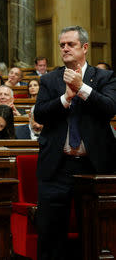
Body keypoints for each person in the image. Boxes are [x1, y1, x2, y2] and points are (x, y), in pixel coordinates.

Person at [34, 25, 116, 260]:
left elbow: (110, 108)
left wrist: (81, 89)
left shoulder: (104, 77)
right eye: (62, 45)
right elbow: (40, 113)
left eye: (71, 44)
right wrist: (64, 98)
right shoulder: (50, 79)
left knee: (95, 235)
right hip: (56, 168)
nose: (65, 49)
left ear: (85, 47)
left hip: (93, 168)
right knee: (50, 237)